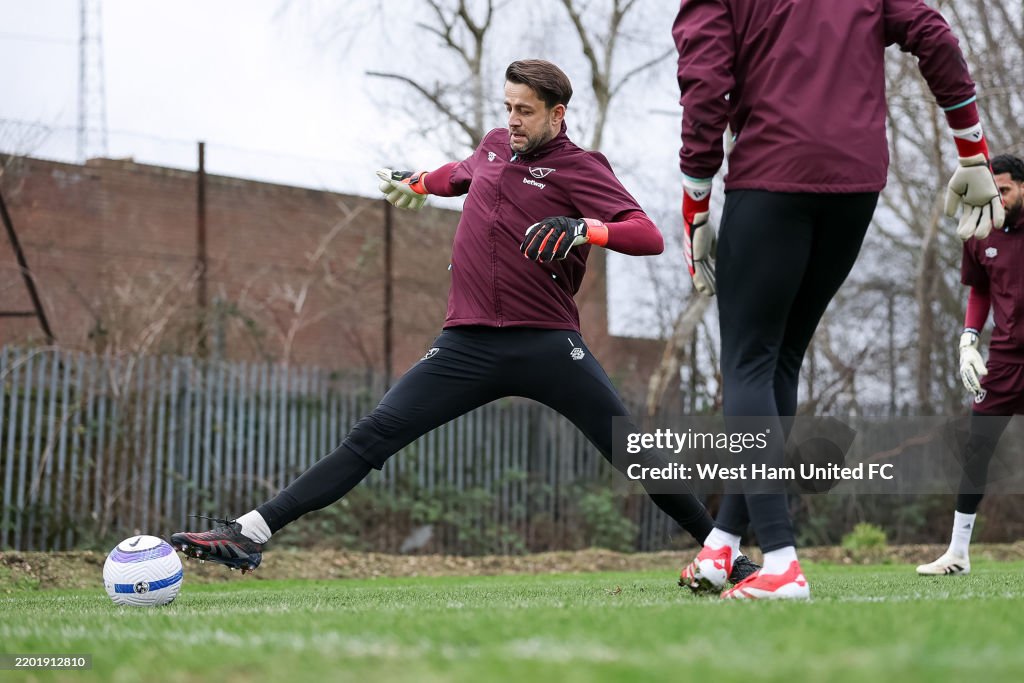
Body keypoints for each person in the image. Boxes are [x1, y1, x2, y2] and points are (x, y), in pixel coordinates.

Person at [171, 59, 758, 583]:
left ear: (557, 114)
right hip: (467, 344)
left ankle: (725, 557)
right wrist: (419, 182)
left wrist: (585, 228)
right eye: (507, 107)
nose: (513, 120)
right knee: (372, 435)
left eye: (525, 111)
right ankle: (250, 533)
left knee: (632, 449)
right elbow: (463, 172)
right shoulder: (495, 146)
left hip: (548, 344)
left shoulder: (580, 168)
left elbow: (648, 236)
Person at [673, 0, 1004, 599]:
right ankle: (723, 544)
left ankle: (780, 562)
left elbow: (705, 86)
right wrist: (972, 148)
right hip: (856, 183)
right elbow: (932, 33)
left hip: (773, 172)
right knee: (780, 359)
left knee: (747, 361)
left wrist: (696, 195)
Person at [918, 154, 1024, 576]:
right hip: (1004, 360)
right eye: (992, 191)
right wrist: (968, 339)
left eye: (1006, 190)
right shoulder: (980, 230)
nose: (998, 198)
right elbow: (979, 289)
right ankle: (958, 554)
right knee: (976, 449)